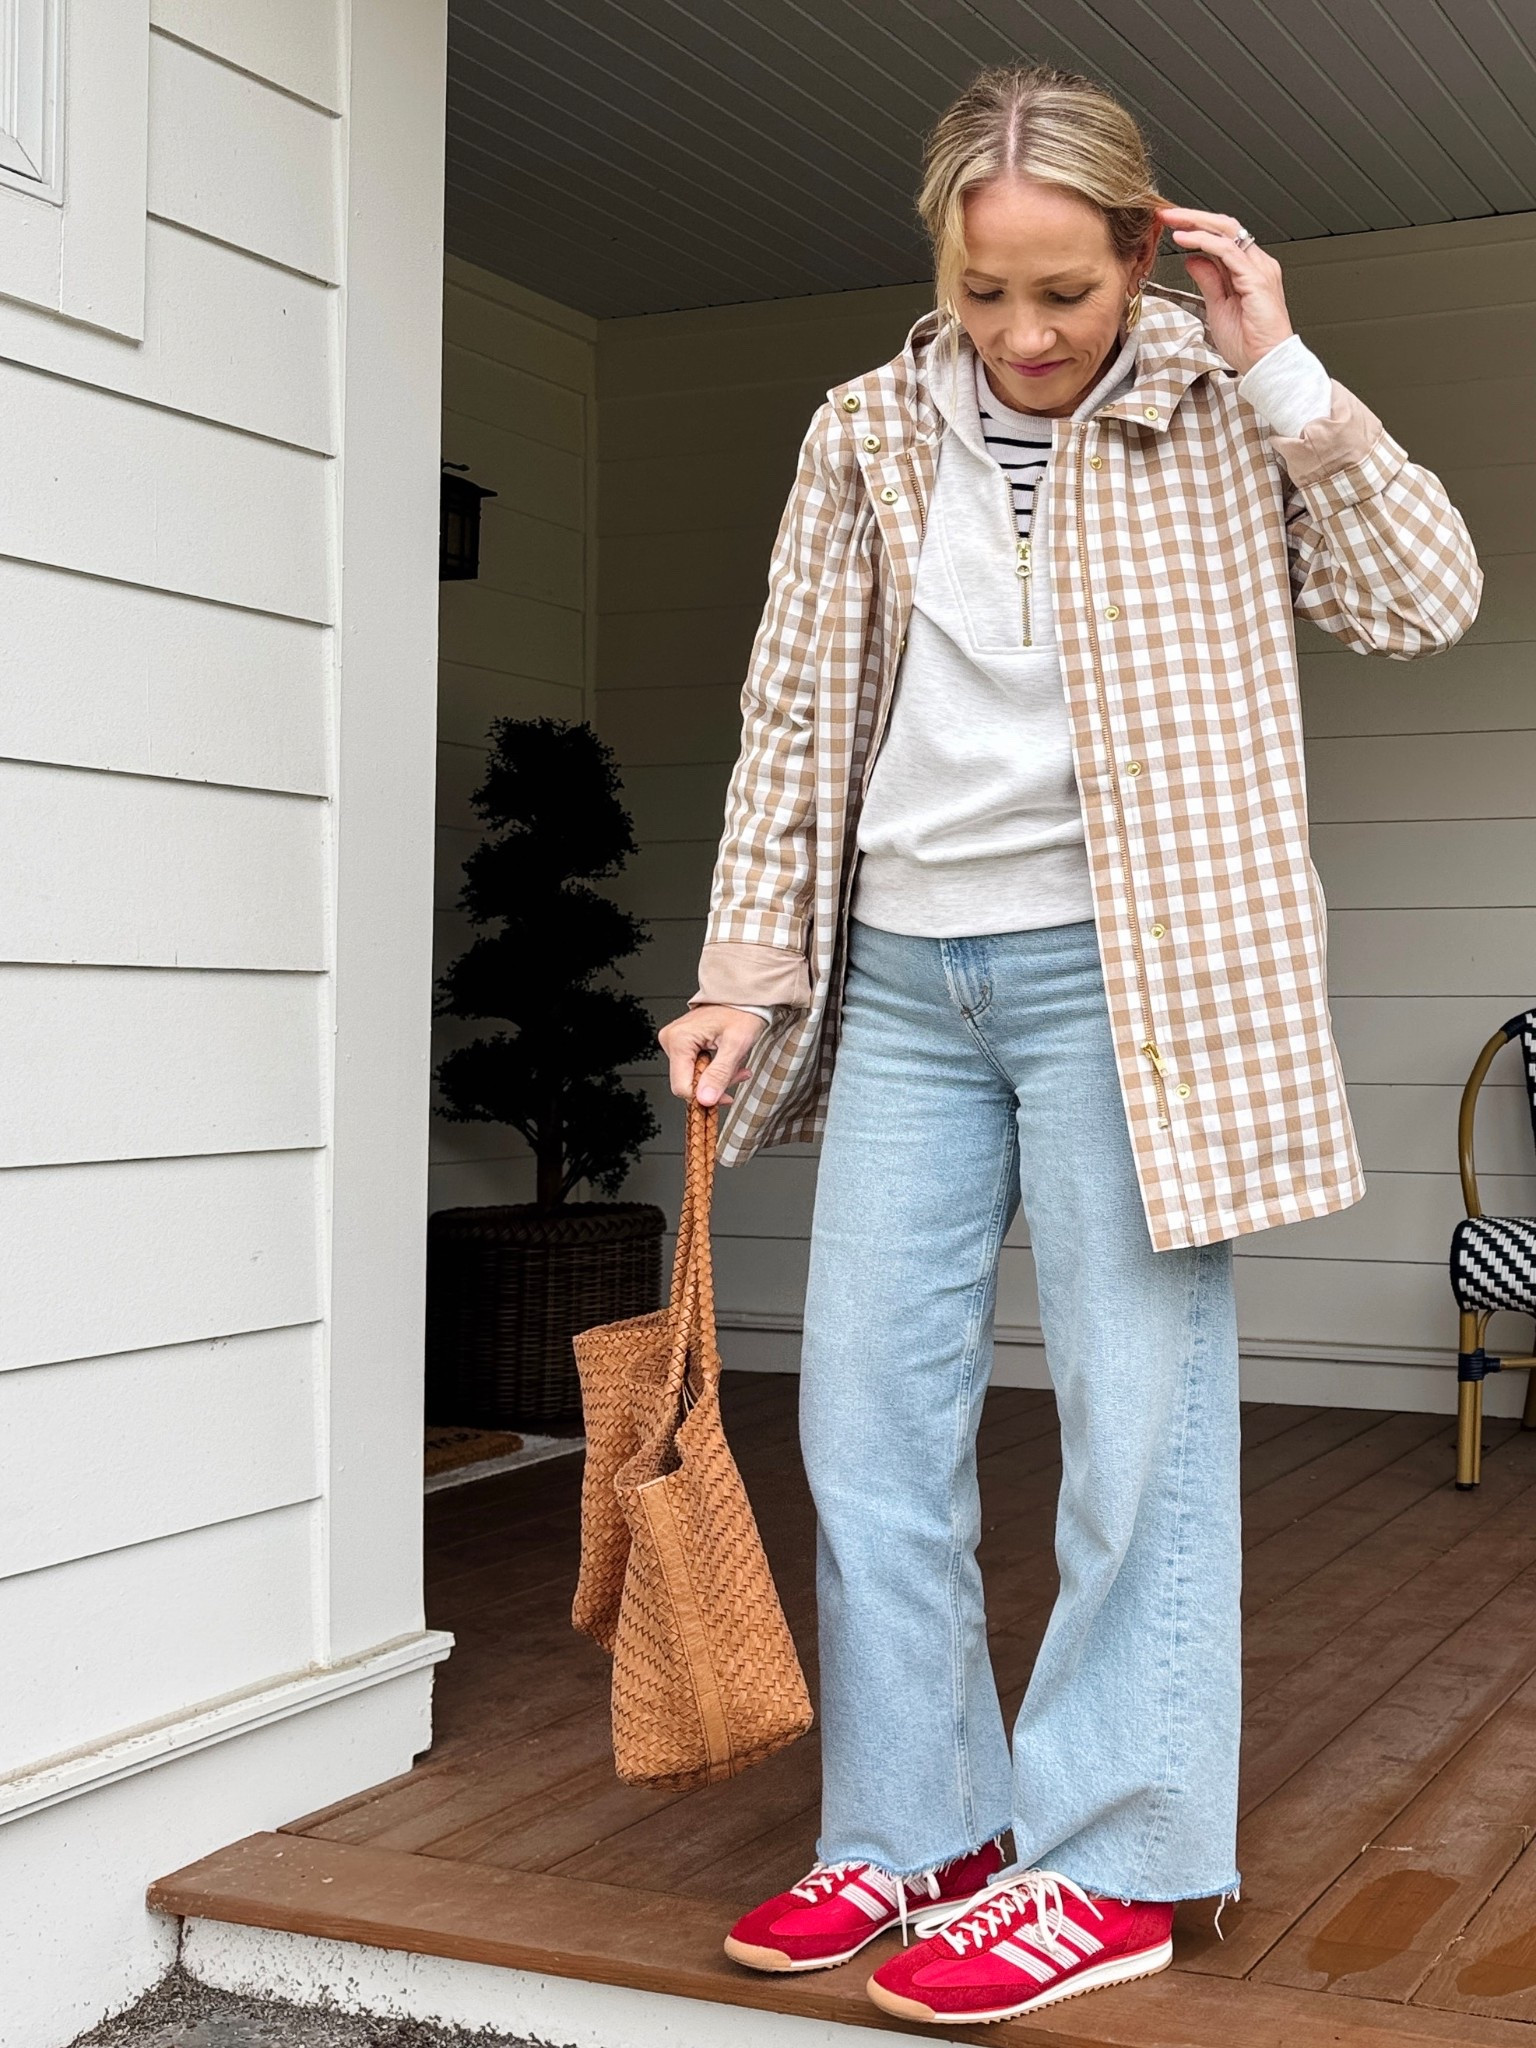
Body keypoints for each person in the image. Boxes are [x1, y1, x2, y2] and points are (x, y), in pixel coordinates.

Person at [657, 60, 1480, 2029]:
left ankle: (1107, 1857)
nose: (1023, 336)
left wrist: (1285, 372)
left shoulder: (1219, 405)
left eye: (1067, 293)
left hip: (1135, 987)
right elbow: (796, 720)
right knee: (866, 1420)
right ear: (941, 266)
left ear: (1145, 254)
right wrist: (741, 969)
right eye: (984, 292)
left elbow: (1423, 596)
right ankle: (917, 1825)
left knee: (1139, 1432)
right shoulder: (864, 427)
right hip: (911, 978)